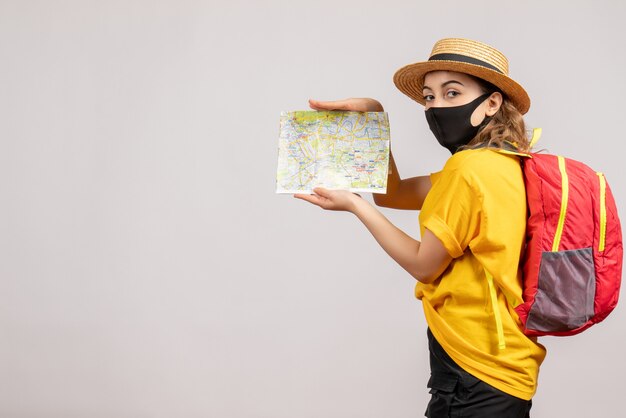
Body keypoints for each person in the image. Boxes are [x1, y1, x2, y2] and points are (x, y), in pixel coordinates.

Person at [294, 38, 546, 417]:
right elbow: (391, 194)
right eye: (429, 97)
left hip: (474, 368)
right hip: (505, 363)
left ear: (492, 103)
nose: (437, 107)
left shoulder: (470, 170)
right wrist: (374, 120)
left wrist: (354, 206)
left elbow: (424, 264)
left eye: (452, 93)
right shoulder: (505, 162)